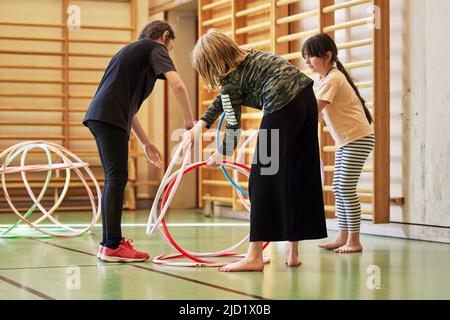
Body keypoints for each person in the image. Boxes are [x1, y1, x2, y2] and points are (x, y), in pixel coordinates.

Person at [184, 29, 327, 272]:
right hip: (306, 98)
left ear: (211, 64)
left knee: (262, 178)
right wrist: (200, 126)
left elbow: (233, 125)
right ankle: (293, 253)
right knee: (298, 172)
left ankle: (254, 256)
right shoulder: (250, 57)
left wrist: (221, 154)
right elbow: (225, 99)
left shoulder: (230, 79)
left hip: (281, 104)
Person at [83, 20, 194, 262]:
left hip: (101, 117)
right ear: (164, 37)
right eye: (170, 48)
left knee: (115, 177)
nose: (167, 55)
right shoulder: (155, 49)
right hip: (108, 118)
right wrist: (189, 122)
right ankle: (112, 245)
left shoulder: (130, 53)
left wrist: (145, 142)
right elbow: (178, 85)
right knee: (116, 178)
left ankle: (109, 243)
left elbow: (129, 108)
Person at [302, 33, 375, 253]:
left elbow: (315, 111)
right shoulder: (324, 80)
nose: (306, 62)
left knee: (345, 187)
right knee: (338, 187)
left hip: (358, 138)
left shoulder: (333, 78)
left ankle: (354, 240)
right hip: (347, 140)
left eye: (310, 56)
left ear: (327, 56)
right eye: (304, 56)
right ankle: (343, 236)